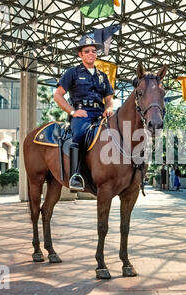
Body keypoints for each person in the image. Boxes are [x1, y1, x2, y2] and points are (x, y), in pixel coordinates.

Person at [54, 34, 114, 191]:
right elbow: (58, 95)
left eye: (94, 51)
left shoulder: (103, 76)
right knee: (79, 136)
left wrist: (108, 108)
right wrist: (73, 112)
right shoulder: (72, 73)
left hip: (100, 114)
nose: (91, 54)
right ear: (80, 54)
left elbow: (109, 98)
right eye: (87, 51)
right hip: (83, 114)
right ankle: (75, 176)